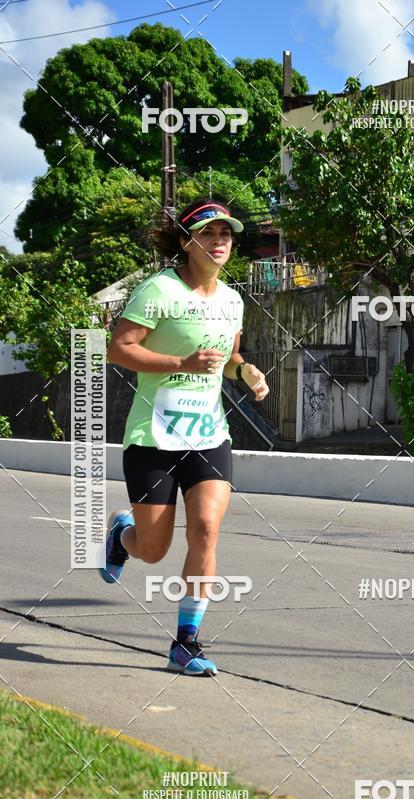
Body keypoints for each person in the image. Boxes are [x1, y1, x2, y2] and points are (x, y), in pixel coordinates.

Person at [99, 197, 269, 676]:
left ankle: (186, 642)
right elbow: (119, 349)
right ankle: (121, 536)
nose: (220, 242)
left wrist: (247, 371)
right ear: (185, 241)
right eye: (209, 234)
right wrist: (180, 364)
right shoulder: (158, 291)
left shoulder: (233, 300)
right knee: (153, 548)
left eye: (227, 235)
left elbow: (229, 357)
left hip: (209, 433)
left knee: (207, 529)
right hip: (152, 435)